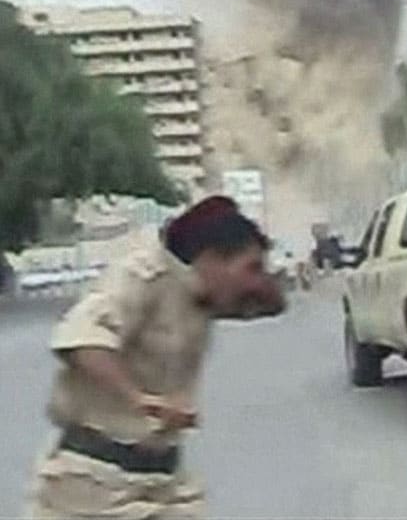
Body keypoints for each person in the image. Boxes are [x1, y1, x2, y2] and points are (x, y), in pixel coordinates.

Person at [27, 196, 285, 518]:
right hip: (92, 488)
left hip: (164, 484)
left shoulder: (205, 297)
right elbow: (82, 341)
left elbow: (273, 305)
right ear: (212, 259)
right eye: (251, 267)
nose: (255, 279)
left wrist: (261, 275)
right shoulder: (140, 276)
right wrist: (140, 399)